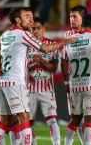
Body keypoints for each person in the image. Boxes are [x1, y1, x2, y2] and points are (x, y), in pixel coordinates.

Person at [0, 7, 75, 145]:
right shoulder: (23, 35)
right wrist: (65, 41)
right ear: (18, 20)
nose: (31, 19)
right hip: (15, 82)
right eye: (27, 16)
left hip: (2, 82)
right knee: (24, 118)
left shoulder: (5, 35)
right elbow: (46, 48)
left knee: (4, 120)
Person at [62, 5, 91, 142]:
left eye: (74, 16)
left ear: (83, 19)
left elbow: (63, 62)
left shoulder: (70, 38)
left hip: (75, 85)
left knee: (76, 118)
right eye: (70, 16)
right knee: (90, 119)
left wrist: (67, 81)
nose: (71, 19)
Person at [27, 17, 60, 145]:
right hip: (28, 90)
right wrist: (33, 65)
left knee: (52, 120)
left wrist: (42, 61)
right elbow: (22, 69)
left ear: (44, 29)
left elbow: (54, 68)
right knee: (28, 123)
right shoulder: (26, 46)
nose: (35, 31)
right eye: (33, 28)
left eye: (38, 28)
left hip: (47, 90)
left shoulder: (51, 46)